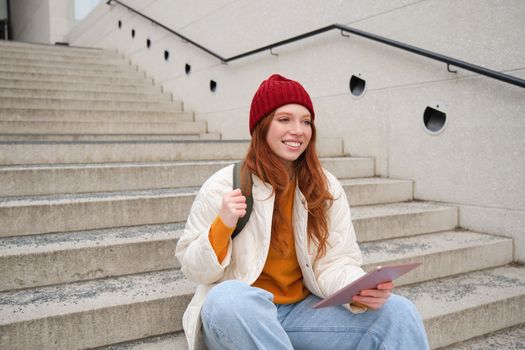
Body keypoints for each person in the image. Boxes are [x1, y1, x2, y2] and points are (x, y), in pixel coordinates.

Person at [175, 74, 430, 350]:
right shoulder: (223, 185)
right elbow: (193, 268)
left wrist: (356, 288)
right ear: (262, 126)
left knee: (398, 313)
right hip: (243, 317)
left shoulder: (324, 187)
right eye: (284, 119)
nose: (298, 130)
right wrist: (222, 226)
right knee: (228, 298)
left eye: (305, 121)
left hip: (301, 313)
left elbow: (336, 260)